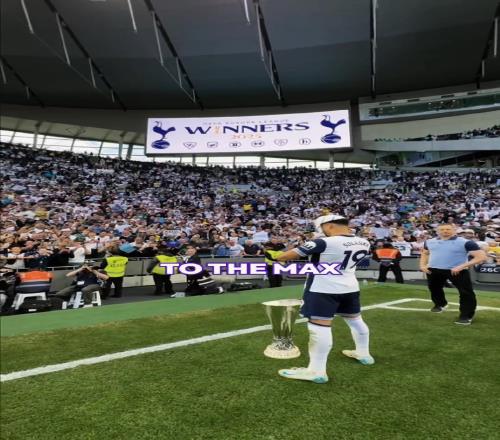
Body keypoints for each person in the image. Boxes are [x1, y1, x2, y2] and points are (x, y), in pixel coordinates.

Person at [271, 215, 373, 384]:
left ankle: (316, 371)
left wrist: (308, 244)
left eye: (322, 228)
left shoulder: (322, 242)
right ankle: (364, 353)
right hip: (350, 286)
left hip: (322, 288)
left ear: (330, 225)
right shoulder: (364, 242)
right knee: (356, 320)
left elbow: (283, 256)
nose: (321, 231)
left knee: (319, 327)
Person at [420, 224, 487, 325]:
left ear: (454, 230)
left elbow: (481, 257)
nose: (445, 231)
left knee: (465, 293)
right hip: (434, 269)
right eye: (442, 229)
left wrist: (461, 266)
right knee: (434, 288)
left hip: (457, 270)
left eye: (448, 229)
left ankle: (466, 316)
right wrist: (422, 265)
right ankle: (440, 304)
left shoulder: (466, 242)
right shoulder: (429, 242)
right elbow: (425, 253)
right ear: (437, 231)